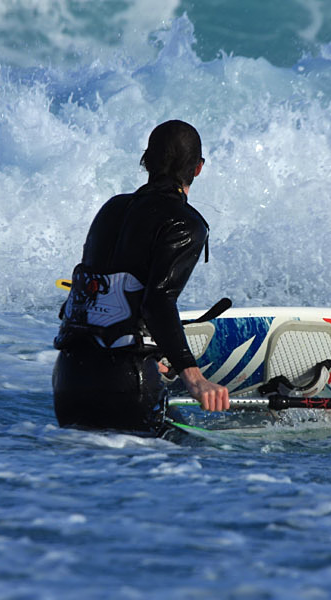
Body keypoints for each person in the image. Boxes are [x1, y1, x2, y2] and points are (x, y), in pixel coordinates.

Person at [52, 120, 230, 434]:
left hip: (69, 382)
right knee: (197, 459)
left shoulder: (111, 210)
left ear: (146, 160)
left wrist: (157, 355)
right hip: (127, 385)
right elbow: (157, 302)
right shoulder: (186, 223)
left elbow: (100, 299)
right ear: (198, 168)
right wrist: (193, 376)